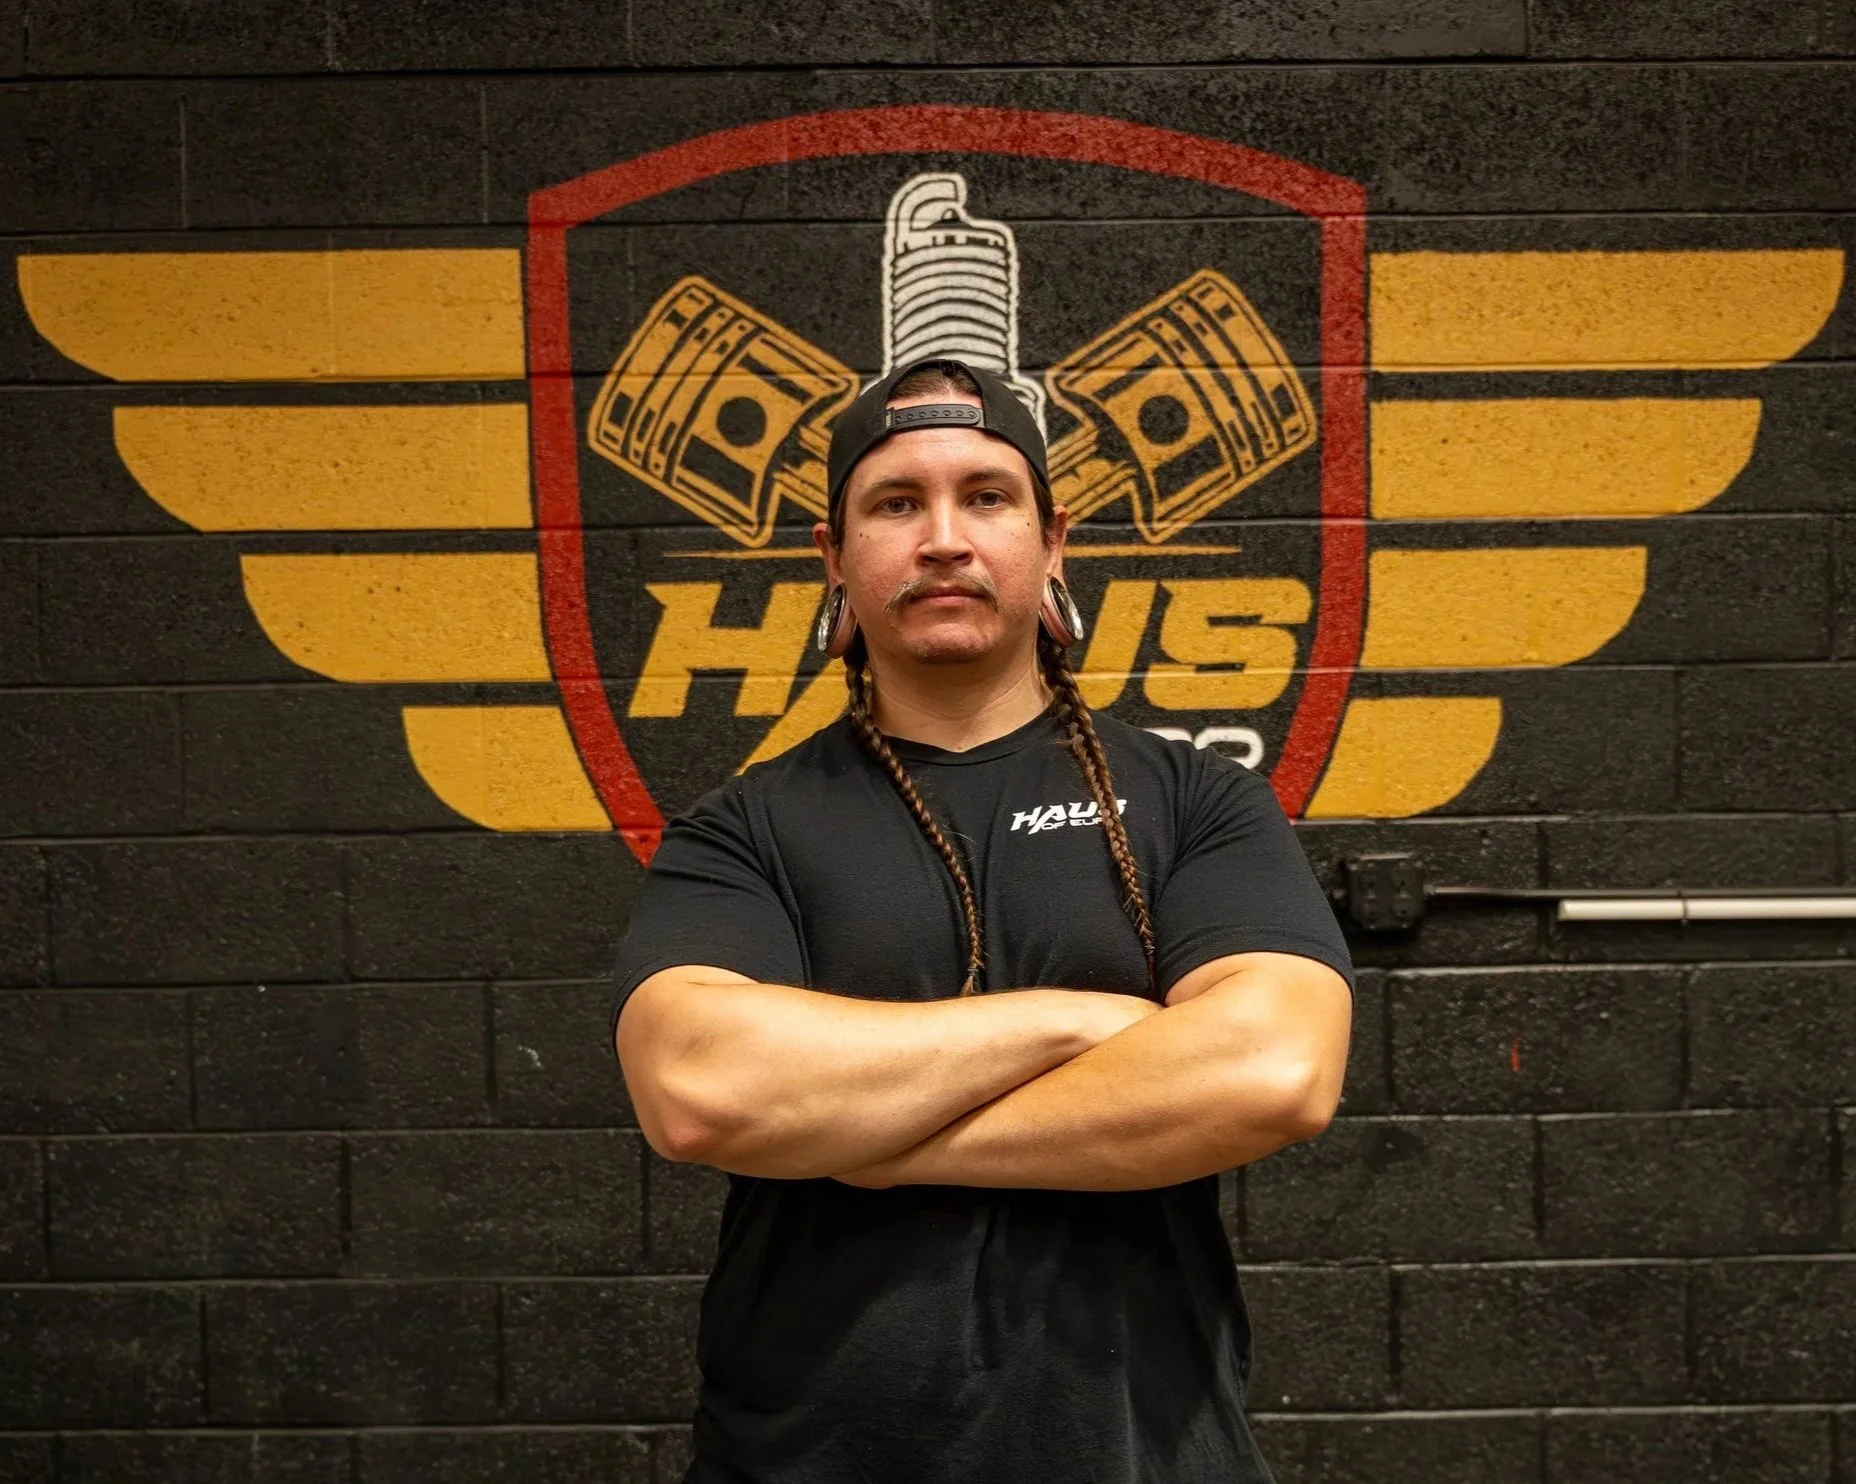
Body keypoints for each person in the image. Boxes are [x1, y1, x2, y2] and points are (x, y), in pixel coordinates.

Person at [610, 355, 1355, 1484]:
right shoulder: (744, 828)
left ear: (1050, 542)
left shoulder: (1193, 798)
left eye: (985, 496)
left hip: (1143, 1455)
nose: (944, 537)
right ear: (834, 556)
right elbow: (701, 1088)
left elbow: (1275, 1069)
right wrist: (1083, 1022)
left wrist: (868, 1140)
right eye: (896, 501)